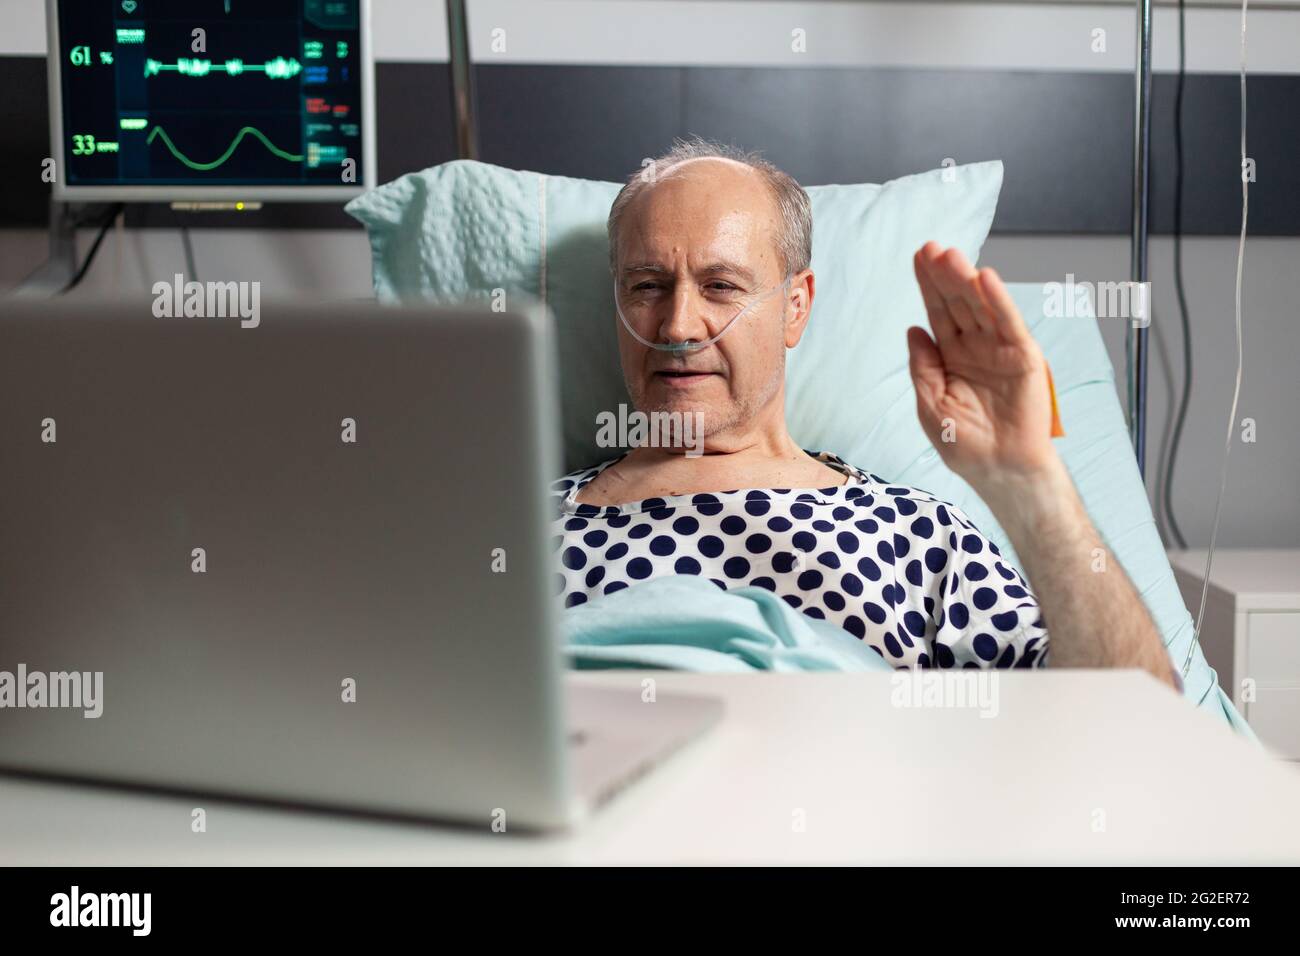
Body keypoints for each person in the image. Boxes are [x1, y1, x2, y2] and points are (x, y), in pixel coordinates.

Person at [551, 137, 1177, 686]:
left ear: (795, 306)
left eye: (721, 286)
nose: (680, 326)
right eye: (647, 287)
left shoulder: (915, 535)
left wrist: (1029, 481)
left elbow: (1131, 715)